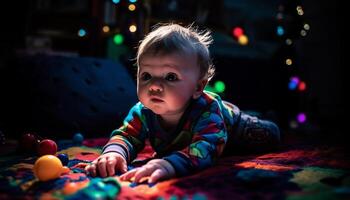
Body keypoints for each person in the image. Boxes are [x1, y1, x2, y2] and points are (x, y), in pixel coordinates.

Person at [85, 23, 280, 184]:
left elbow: (206, 147)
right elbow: (126, 135)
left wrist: (169, 165)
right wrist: (114, 153)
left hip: (233, 127)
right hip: (192, 139)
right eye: (146, 75)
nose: (154, 86)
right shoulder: (142, 111)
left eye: (170, 76)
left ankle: (262, 116)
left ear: (198, 87)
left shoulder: (207, 110)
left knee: (269, 134)